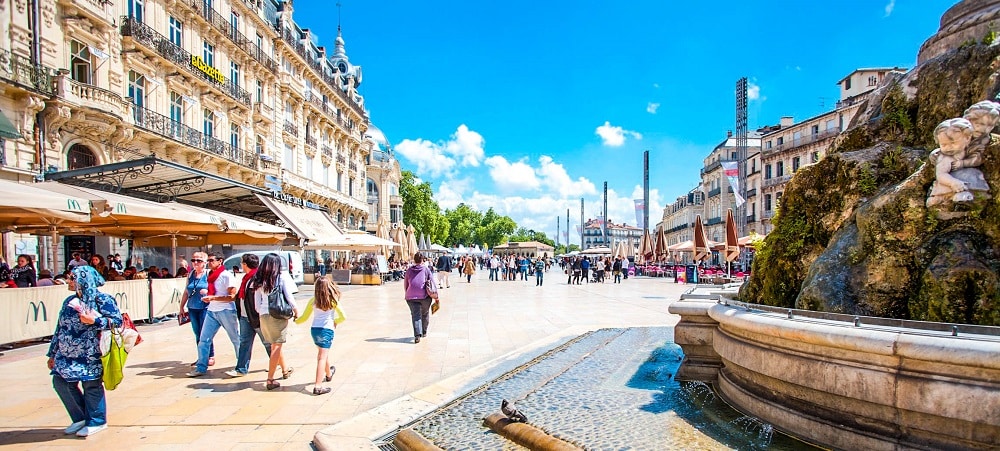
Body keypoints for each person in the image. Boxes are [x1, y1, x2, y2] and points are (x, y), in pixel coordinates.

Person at [47, 266, 123, 437]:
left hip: (90, 353)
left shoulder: (103, 300)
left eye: (73, 278)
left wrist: (95, 320)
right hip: (65, 354)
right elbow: (59, 328)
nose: (69, 281)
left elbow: (117, 322)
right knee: (60, 383)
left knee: (91, 386)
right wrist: (52, 353)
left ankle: (97, 420)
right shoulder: (69, 302)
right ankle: (80, 417)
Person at [187, 252, 238, 377]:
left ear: (220, 261)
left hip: (225, 310)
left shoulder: (226, 276)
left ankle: (241, 365)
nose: (209, 263)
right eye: (208, 260)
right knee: (203, 340)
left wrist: (213, 298)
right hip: (211, 310)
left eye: (211, 260)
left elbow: (232, 296)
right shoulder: (210, 275)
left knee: (235, 339)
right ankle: (201, 367)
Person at [253, 253, 299, 390]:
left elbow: (256, 304)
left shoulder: (259, 280)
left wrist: (262, 312)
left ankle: (285, 370)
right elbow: (289, 297)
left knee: (275, 344)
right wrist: (296, 311)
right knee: (276, 346)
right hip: (277, 315)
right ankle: (270, 379)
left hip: (263, 315)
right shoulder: (280, 277)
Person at [178, 252, 214, 368]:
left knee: (205, 333)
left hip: (205, 307)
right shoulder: (191, 274)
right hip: (192, 307)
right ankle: (201, 357)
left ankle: (210, 356)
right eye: (193, 260)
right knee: (197, 333)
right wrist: (181, 306)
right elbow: (186, 291)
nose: (195, 263)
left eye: (198, 260)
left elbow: (215, 290)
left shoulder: (208, 274)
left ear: (204, 262)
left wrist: (208, 292)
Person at [310, 275, 340, 395]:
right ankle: (318, 386)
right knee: (322, 357)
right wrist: (335, 322)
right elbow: (343, 316)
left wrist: (296, 320)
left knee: (322, 353)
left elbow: (304, 317)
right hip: (326, 330)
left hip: (314, 330)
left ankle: (328, 374)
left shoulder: (313, 301)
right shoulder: (333, 301)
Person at [403, 252, 437, 344]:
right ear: (422, 260)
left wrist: (408, 293)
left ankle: (417, 335)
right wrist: (436, 297)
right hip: (424, 296)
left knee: (416, 315)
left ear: (414, 260)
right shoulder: (426, 270)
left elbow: (406, 284)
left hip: (410, 297)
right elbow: (432, 283)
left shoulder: (409, 270)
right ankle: (424, 332)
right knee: (425, 313)